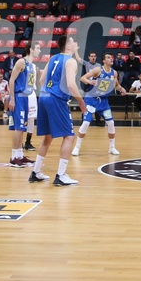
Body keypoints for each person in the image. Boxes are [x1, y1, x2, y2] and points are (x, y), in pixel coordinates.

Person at [29, 35, 87, 186]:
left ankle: (36, 172)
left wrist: (48, 92)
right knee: (69, 136)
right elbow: (71, 84)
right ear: (68, 46)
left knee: (48, 137)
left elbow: (41, 80)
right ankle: (61, 175)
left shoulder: (53, 58)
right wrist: (81, 101)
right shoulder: (71, 61)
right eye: (74, 41)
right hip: (56, 98)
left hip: (43, 96)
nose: (76, 43)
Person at [71, 53, 127, 157]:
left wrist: (121, 89)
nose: (111, 58)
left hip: (103, 102)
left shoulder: (114, 73)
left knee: (110, 123)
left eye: (111, 57)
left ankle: (112, 147)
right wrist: (90, 82)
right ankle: (77, 147)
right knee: (86, 123)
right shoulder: (98, 70)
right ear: (104, 61)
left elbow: (116, 85)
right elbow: (83, 78)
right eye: (108, 57)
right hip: (91, 100)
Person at [7, 43, 41, 168]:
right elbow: (11, 80)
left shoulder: (32, 66)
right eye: (37, 48)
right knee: (19, 127)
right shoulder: (21, 62)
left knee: (23, 127)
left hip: (26, 97)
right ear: (30, 50)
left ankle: (20, 155)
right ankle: (14, 157)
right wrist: (12, 99)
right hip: (18, 97)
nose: (40, 51)